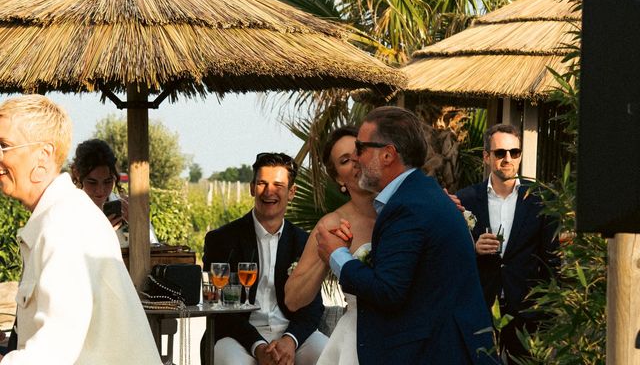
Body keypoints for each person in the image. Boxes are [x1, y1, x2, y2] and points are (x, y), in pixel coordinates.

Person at [316, 106, 495, 364]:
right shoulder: (420, 193)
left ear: (388, 155)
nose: (356, 157)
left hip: (437, 352)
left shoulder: (407, 206)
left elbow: (388, 290)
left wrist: (337, 255)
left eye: (361, 148)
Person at [0, 94, 161, 364]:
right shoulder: (61, 215)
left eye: (4, 146)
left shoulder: (63, 224)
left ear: (43, 155)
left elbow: (54, 348)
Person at [202, 152, 327, 365]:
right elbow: (219, 308)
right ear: (252, 188)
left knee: (326, 355)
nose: (269, 192)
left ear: (292, 192)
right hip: (238, 336)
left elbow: (313, 307)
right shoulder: (221, 240)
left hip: (292, 333)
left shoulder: (305, 242)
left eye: (278, 185)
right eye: (262, 183)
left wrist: (290, 340)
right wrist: (257, 345)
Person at [453, 123, 559, 363]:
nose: (508, 159)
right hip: (479, 307)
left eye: (515, 152)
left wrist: (550, 311)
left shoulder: (541, 199)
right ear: (486, 157)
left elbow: (552, 258)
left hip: (528, 313)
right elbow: (450, 256)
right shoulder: (465, 199)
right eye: (500, 153)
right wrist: (474, 249)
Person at [285, 127, 377, 365]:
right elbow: (293, 299)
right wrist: (331, 254)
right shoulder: (332, 224)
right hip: (359, 340)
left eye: (359, 151)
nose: (356, 162)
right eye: (345, 160)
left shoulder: (407, 208)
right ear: (338, 178)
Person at [70, 138, 159, 246]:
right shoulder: (69, 211)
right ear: (79, 176)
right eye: (92, 182)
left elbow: (155, 247)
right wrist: (100, 234)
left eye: (107, 181)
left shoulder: (126, 209)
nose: (100, 190)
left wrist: (138, 224)